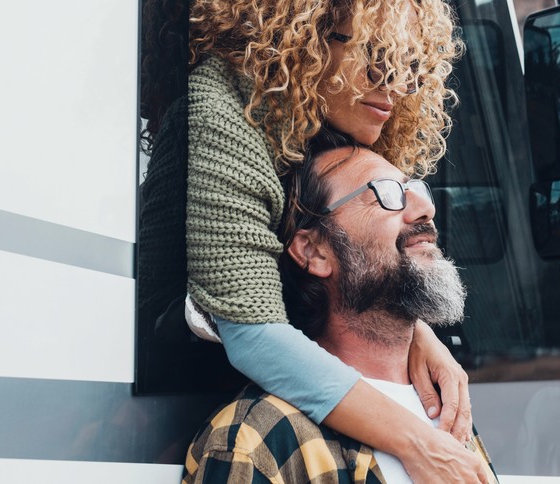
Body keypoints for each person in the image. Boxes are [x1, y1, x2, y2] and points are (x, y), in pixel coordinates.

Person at [138, 0, 486, 480]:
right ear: (311, 40)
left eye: (408, 65)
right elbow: (252, 331)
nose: (397, 84)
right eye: (378, 58)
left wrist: (416, 335)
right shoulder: (226, 112)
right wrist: (418, 442)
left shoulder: (324, 123)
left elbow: (356, 263)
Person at [182, 137, 498, 483]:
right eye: (387, 192)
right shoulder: (255, 441)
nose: (425, 209)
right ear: (315, 251)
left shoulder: (446, 406)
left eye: (416, 189)